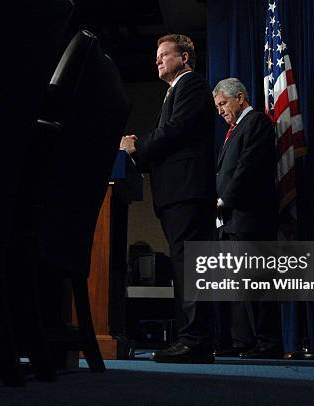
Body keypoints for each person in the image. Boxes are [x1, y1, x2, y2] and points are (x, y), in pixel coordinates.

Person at [120, 34, 216, 364]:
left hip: (187, 190)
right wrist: (138, 156)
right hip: (175, 193)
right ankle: (190, 338)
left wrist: (137, 148)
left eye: (164, 55)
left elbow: (175, 130)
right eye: (156, 55)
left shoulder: (192, 84)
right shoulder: (173, 91)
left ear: (185, 58)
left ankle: (195, 341)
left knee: (190, 264)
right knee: (184, 264)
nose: (157, 60)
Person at [212, 78, 282, 358]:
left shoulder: (257, 123)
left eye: (223, 104)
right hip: (231, 221)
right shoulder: (233, 131)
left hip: (251, 218)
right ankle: (244, 342)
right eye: (217, 107)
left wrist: (223, 200)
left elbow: (247, 168)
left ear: (240, 98)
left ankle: (268, 344)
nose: (220, 111)